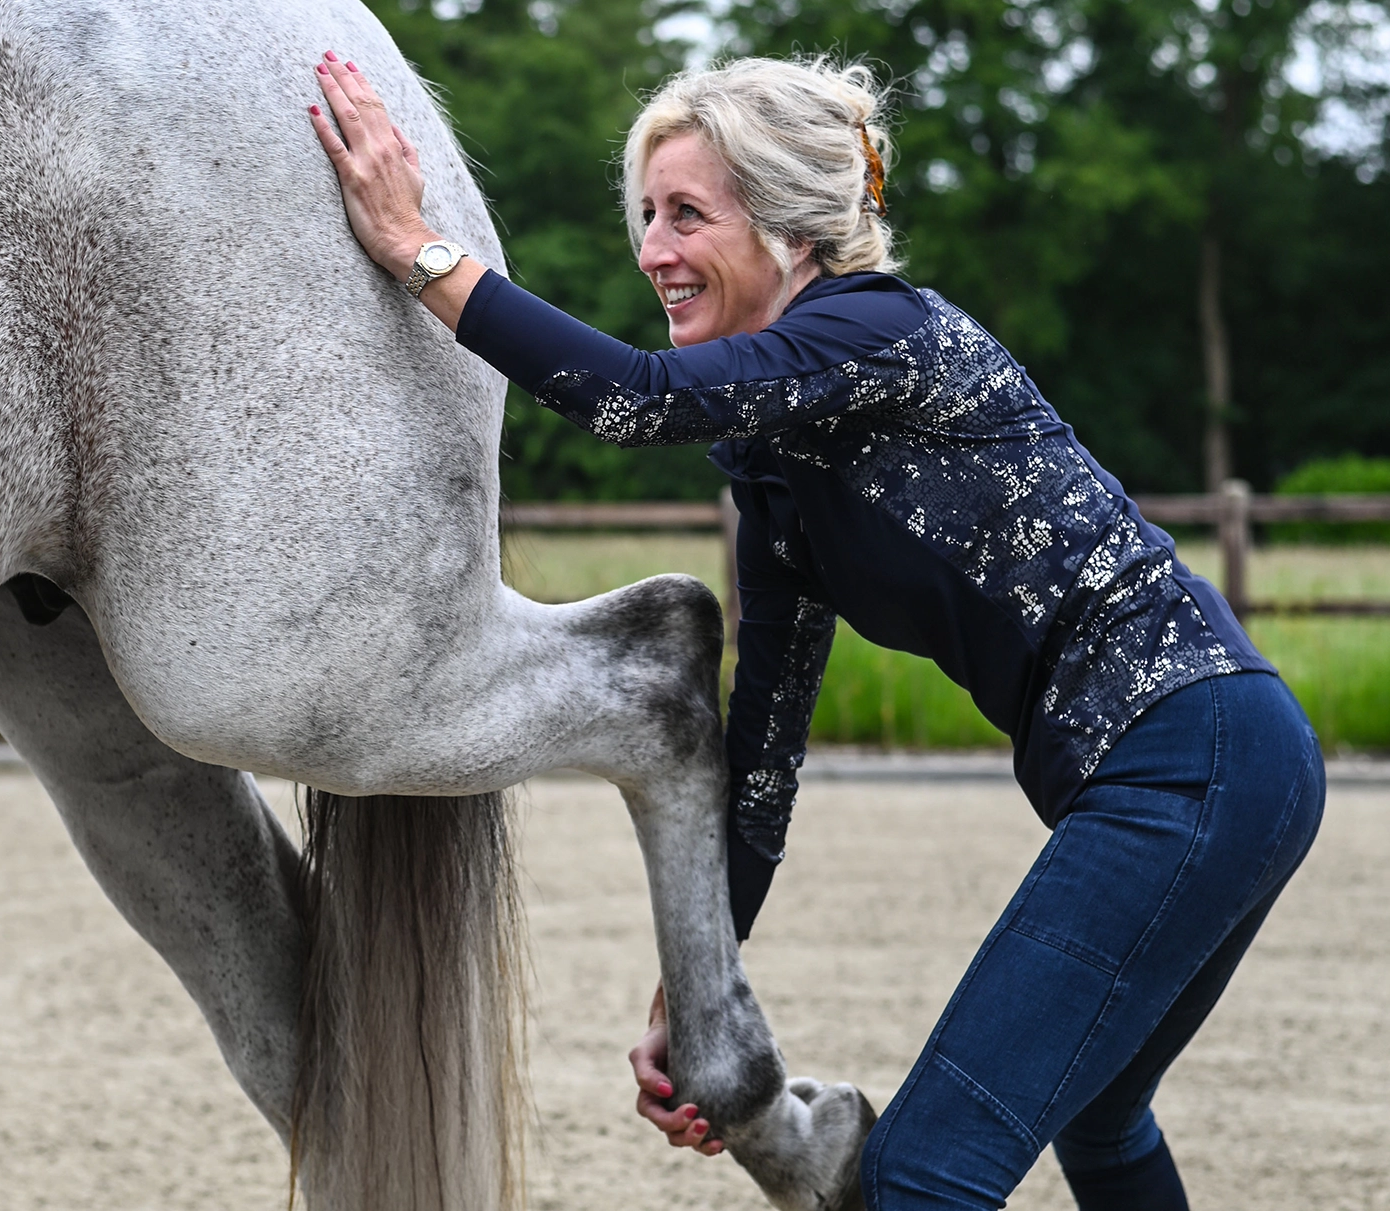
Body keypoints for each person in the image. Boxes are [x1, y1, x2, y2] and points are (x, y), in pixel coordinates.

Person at [308, 49, 1324, 1210]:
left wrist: (417, 248)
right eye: (646, 214)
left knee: (920, 1178)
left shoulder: (883, 333)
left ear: (791, 230)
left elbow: (633, 395)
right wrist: (694, 995)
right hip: (1216, 767)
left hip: (1194, 757)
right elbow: (762, 765)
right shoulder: (779, 478)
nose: (652, 250)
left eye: (687, 212)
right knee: (1100, 1118)